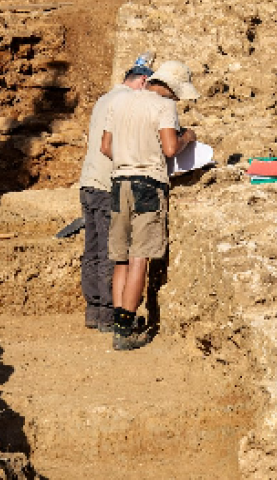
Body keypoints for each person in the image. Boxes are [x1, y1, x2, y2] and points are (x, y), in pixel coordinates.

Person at [101, 59, 199, 351]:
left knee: (120, 256)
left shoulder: (118, 102)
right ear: (170, 88)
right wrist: (187, 137)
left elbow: (106, 147)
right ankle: (125, 329)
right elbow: (170, 148)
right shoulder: (163, 106)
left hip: (119, 182)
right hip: (148, 183)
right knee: (139, 257)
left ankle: (119, 320)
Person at [77, 57, 153, 332]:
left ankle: (94, 310)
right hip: (108, 184)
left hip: (88, 181)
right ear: (142, 81)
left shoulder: (104, 99)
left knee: (93, 249)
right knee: (112, 251)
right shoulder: (127, 103)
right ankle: (109, 313)